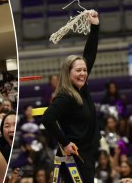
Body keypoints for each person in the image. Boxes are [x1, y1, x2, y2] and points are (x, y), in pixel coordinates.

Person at [42, 11, 100, 183]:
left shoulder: (81, 87)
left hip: (86, 154)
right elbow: (48, 118)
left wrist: (95, 27)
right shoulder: (67, 95)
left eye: (84, 70)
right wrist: (65, 143)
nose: (83, 73)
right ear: (68, 73)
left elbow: (90, 54)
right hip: (76, 157)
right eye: (78, 70)